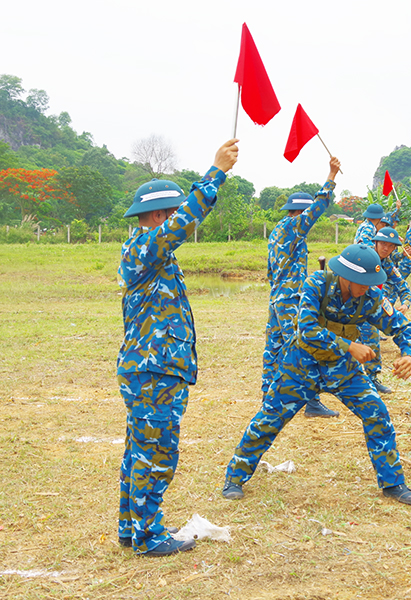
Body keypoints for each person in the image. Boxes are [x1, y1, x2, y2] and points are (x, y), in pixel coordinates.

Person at [222, 244, 411, 505]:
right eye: (362, 282)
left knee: (377, 413)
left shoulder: (371, 297)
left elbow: (402, 326)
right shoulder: (316, 284)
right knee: (269, 419)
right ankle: (235, 477)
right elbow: (306, 329)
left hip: (342, 369)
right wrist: (349, 346)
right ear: (346, 277)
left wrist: (409, 353)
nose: (367, 288)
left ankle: (393, 484)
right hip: (301, 365)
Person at [117, 139, 239, 557]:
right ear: (156, 216)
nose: (175, 219)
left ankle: (131, 527)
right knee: (156, 453)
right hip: (153, 373)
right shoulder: (144, 246)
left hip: (154, 370)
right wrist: (216, 172)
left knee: (140, 449)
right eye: (170, 213)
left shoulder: (154, 253)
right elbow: (182, 224)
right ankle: (148, 537)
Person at [263, 156, 342, 418]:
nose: (308, 220)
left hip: (277, 297)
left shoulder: (276, 231)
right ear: (298, 212)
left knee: (274, 348)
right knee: (304, 344)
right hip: (290, 298)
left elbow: (270, 270)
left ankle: (268, 398)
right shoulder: (294, 227)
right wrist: (331, 177)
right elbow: (317, 208)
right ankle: (311, 402)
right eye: (305, 214)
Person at [357, 227, 411, 394]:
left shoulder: (387, 264)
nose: (385, 248)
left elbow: (403, 286)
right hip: (349, 303)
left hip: (369, 308)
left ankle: (372, 378)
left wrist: (406, 303)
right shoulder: (364, 255)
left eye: (390, 246)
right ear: (375, 243)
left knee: (371, 339)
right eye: (382, 244)